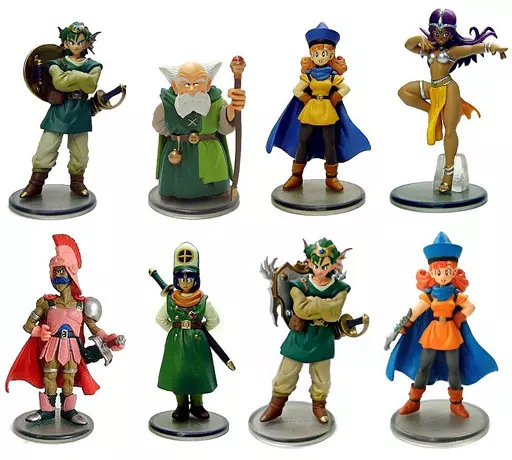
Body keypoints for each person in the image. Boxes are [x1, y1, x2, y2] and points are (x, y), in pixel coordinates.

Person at [6, 234, 124, 425]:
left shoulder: (82, 304)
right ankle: (47, 410)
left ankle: (69, 410)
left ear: (71, 272)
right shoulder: (46, 302)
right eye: (56, 271)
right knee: (49, 375)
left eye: (62, 271)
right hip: (52, 345)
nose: (58, 276)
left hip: (72, 347)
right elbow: (28, 326)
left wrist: (110, 339)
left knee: (69, 377)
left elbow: (93, 328)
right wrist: (39, 331)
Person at [386, 232, 498, 418]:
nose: (443, 276)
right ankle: (413, 401)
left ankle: (456, 404)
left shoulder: (454, 294)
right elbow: (415, 311)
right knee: (423, 367)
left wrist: (459, 317)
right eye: (438, 273)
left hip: (451, 333)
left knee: (454, 368)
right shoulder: (430, 296)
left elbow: (470, 307)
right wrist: (404, 325)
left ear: (454, 272)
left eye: (447, 272)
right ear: (431, 273)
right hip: (433, 333)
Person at [398, 9, 507, 192]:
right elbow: (408, 45)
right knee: (404, 92)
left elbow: (472, 49)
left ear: (452, 33)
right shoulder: (430, 49)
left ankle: (448, 174)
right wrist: (419, 38)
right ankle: (433, 110)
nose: (440, 37)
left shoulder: (452, 51)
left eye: (445, 33)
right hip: (434, 88)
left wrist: (492, 47)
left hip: (449, 89)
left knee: (449, 131)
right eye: (436, 32)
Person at [266, 23, 370, 192]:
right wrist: (307, 98)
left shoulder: (332, 76)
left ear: (331, 54)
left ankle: (331, 177)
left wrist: (334, 98)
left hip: (327, 112)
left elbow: (345, 88)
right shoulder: (309, 76)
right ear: (311, 55)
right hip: (310, 111)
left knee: (330, 144)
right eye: (316, 54)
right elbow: (297, 90)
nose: (320, 57)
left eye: (324, 53)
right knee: (303, 142)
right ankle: (296, 175)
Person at [260, 238, 351, 424]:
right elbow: (300, 310)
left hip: (323, 337)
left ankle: (319, 405)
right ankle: (276, 406)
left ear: (333, 265)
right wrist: (324, 304)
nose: (320, 270)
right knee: (286, 373)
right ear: (309, 263)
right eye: (316, 265)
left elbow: (334, 314)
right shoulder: (298, 284)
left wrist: (312, 303)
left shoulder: (339, 288)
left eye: (325, 266)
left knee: (322, 378)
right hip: (300, 335)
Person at [21, 22, 103, 198]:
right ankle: (35, 183)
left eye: (80, 42)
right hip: (59, 109)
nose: (76, 46)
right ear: (65, 43)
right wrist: (80, 77)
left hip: (80, 111)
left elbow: (90, 86)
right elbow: (60, 83)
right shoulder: (55, 63)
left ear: (87, 43)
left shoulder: (94, 65)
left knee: (80, 152)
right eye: (72, 42)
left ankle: (77, 181)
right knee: (46, 147)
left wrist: (71, 76)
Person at [152, 62, 246, 199]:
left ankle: (215, 192)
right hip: (179, 151)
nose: (191, 90)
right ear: (175, 86)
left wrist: (233, 107)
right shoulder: (167, 105)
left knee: (216, 185)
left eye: (197, 83)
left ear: (208, 84)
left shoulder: (216, 103)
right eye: (186, 84)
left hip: (210, 152)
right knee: (178, 183)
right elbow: (158, 125)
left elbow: (225, 126)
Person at [156, 242, 220, 421]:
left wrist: (199, 332)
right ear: (177, 279)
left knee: (197, 373)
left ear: (195, 279)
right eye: (182, 278)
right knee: (179, 373)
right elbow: (160, 319)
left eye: (189, 278)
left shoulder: (203, 301)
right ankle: (181, 406)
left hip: (197, 343)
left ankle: (197, 405)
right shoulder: (170, 301)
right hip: (177, 343)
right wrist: (175, 329)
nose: (185, 282)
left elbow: (214, 320)